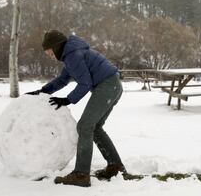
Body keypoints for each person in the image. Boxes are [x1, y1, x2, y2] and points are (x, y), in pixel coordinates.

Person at [26, 30, 126, 187]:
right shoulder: (71, 54)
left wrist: (68, 100)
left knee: (85, 126)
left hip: (107, 86)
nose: (50, 56)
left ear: (56, 47)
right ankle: (115, 166)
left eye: (50, 52)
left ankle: (81, 174)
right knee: (95, 127)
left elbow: (85, 83)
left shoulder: (73, 55)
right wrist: (43, 91)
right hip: (113, 85)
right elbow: (63, 80)